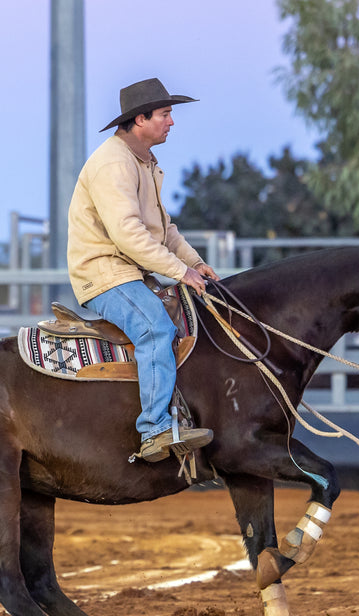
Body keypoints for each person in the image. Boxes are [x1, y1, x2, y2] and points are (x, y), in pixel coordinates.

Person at [67, 78, 220, 463]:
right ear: (140, 119)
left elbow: (164, 230)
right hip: (104, 273)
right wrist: (180, 272)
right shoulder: (113, 164)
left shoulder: (143, 162)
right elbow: (128, 235)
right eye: (165, 114)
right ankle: (153, 430)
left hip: (129, 272)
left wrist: (196, 263)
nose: (171, 122)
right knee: (156, 328)